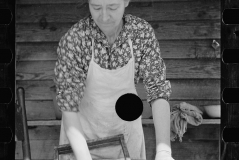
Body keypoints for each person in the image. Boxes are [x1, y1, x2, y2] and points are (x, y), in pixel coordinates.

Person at [54, 0, 174, 160]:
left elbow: (158, 91)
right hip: (82, 143)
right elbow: (68, 106)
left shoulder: (140, 33)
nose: (104, 17)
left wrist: (164, 152)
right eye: (96, 7)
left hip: (127, 139)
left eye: (112, 7)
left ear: (125, 1)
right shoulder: (75, 39)